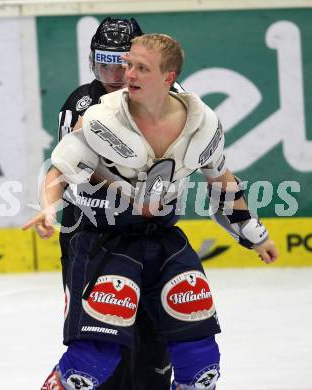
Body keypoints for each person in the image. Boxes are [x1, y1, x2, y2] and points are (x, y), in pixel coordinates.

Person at [26, 34, 278, 390]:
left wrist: (253, 234)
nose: (127, 74)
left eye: (141, 68)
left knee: (200, 362)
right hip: (105, 243)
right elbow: (60, 168)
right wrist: (48, 208)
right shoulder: (101, 117)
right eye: (129, 65)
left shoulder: (203, 123)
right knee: (91, 361)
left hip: (163, 242)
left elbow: (221, 179)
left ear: (168, 77)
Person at [30, 18, 173, 390]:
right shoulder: (81, 104)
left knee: (155, 346)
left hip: (152, 237)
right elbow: (71, 166)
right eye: (103, 63)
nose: (111, 75)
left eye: (120, 64)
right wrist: (51, 207)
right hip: (91, 241)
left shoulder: (170, 99)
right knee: (98, 340)